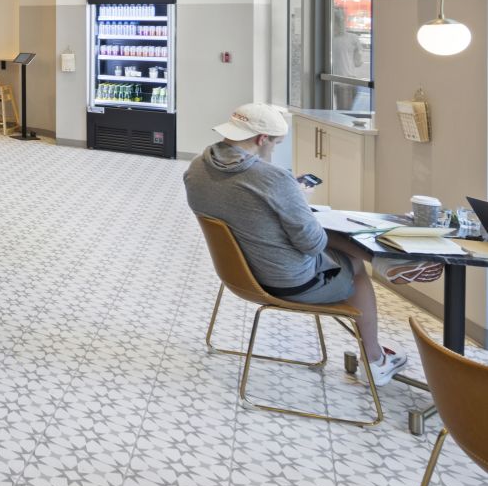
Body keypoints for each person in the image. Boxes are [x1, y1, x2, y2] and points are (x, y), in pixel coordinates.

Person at [184, 103, 429, 385]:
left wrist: (291, 203)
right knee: (353, 265)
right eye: (275, 143)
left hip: (238, 273)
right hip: (287, 281)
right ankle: (375, 360)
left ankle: (384, 262)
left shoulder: (196, 168)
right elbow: (312, 244)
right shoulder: (273, 179)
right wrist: (299, 200)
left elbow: (243, 208)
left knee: (321, 232)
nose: (273, 150)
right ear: (262, 139)